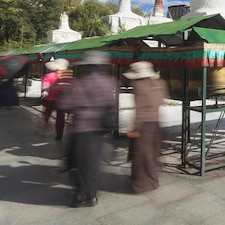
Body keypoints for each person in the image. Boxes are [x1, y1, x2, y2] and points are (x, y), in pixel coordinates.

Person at [57, 51, 117, 208]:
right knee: (92, 164)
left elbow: (64, 105)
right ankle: (90, 193)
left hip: (82, 129)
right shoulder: (109, 82)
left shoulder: (79, 83)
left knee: (81, 165)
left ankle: (85, 196)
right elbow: (112, 105)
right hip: (98, 130)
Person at [122, 61, 169, 194]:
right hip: (157, 123)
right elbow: (161, 101)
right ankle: (149, 179)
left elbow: (140, 110)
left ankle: (144, 183)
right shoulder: (160, 83)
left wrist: (136, 129)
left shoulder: (138, 86)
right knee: (152, 154)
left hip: (144, 125)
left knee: (143, 156)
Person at [40, 58, 72, 140]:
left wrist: (52, 89)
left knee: (46, 115)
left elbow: (44, 88)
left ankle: (46, 128)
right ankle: (59, 134)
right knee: (60, 117)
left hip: (50, 100)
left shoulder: (49, 76)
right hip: (62, 100)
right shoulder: (67, 77)